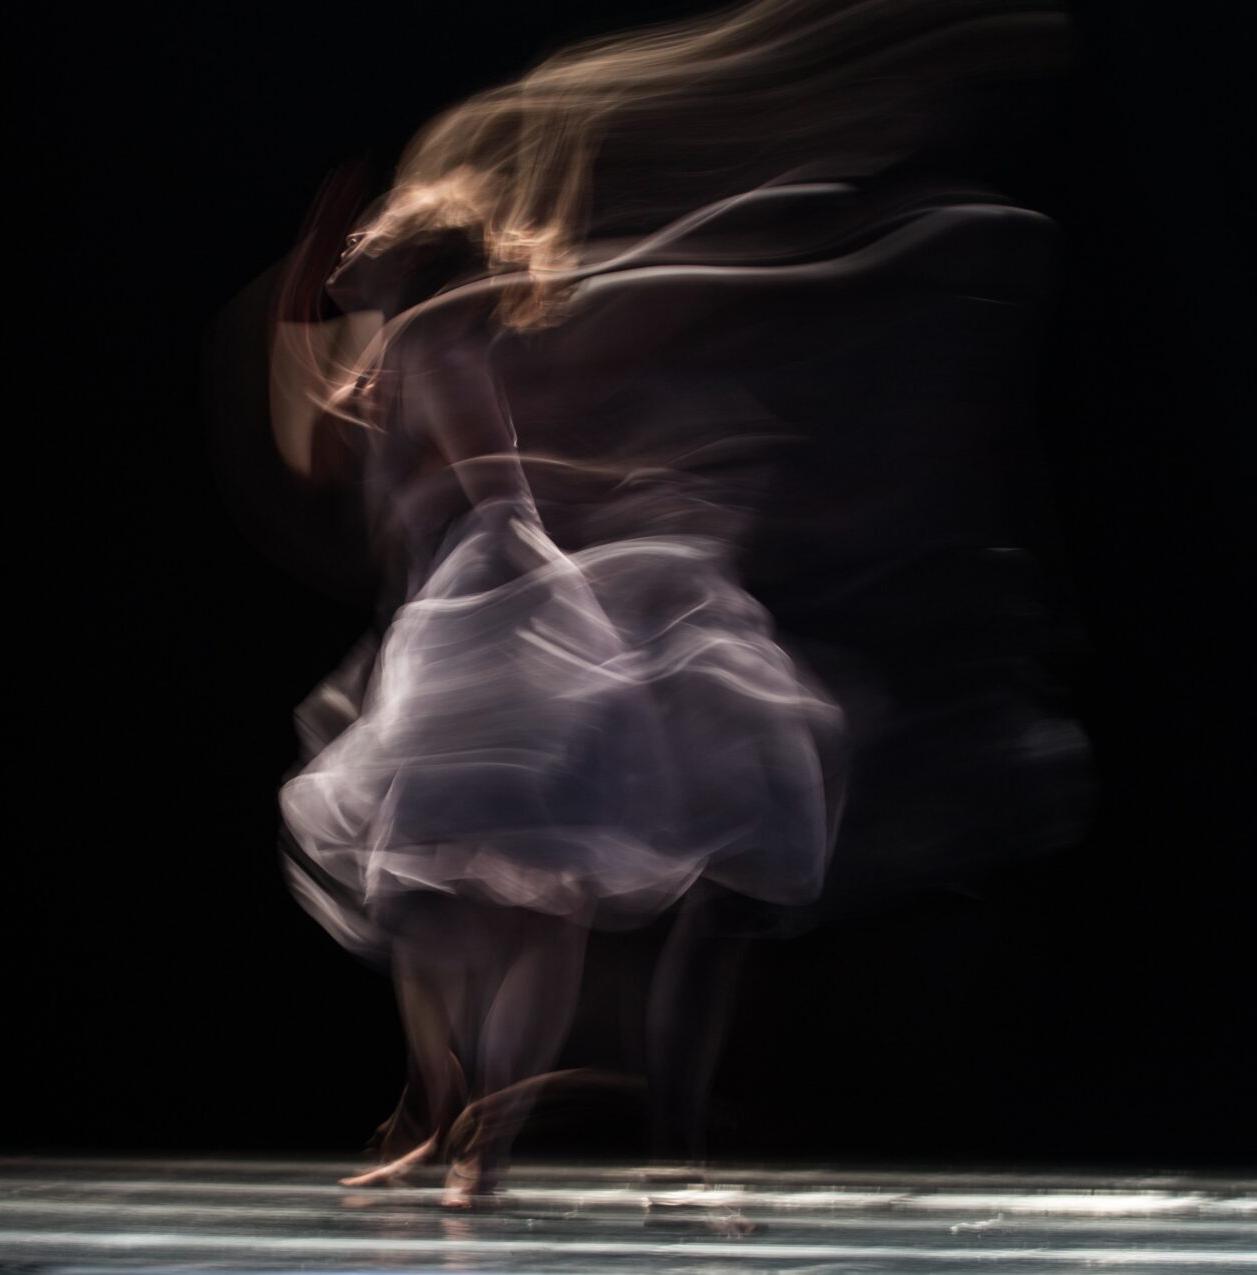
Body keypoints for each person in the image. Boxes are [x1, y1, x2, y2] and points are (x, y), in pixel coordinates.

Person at [266, 0, 1087, 1206]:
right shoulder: (408, 345)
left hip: (486, 611)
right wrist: (311, 292)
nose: (360, 240)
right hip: (455, 618)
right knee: (455, 899)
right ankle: (453, 1123)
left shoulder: (444, 339)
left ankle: (482, 1136)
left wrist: (579, 584)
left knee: (507, 899)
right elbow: (321, 445)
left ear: (417, 254)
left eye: (374, 232)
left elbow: (495, 483)